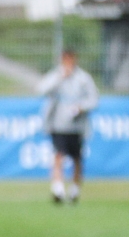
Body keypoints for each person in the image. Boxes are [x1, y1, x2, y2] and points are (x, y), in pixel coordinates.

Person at [37, 47, 98, 204]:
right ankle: (57, 189)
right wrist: (60, 78)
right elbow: (41, 89)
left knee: (77, 158)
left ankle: (74, 190)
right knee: (58, 155)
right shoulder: (55, 76)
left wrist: (81, 107)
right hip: (58, 124)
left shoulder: (83, 78)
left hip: (77, 126)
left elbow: (94, 100)